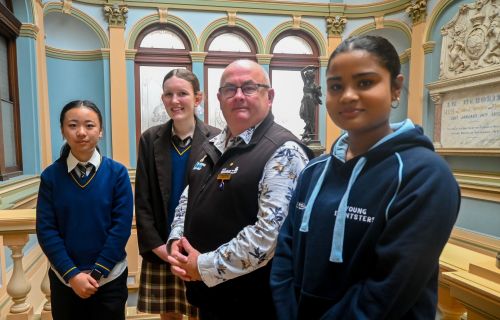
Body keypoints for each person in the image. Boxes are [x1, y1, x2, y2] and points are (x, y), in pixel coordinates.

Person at [270, 35, 461, 320]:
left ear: (396, 88)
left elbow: (389, 289)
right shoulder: (314, 170)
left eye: (364, 82)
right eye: (336, 86)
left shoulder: (425, 176)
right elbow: (285, 251)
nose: (347, 95)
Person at [167, 59, 314, 320]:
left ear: (269, 96)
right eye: (229, 89)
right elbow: (188, 197)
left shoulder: (284, 151)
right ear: (219, 98)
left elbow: (268, 236)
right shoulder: (211, 146)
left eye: (248, 88)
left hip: (253, 304)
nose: (238, 97)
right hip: (211, 297)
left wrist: (202, 265)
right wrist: (177, 240)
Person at [36, 100, 133, 320]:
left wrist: (97, 272)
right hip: (65, 280)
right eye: (73, 125)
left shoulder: (117, 173)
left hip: (109, 280)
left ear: (100, 132)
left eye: (89, 125)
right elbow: (46, 230)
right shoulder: (51, 176)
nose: (81, 132)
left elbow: (120, 228)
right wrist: (73, 275)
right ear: (62, 130)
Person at [135, 68, 219, 320]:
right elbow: (143, 200)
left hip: (199, 250)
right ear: (162, 99)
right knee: (169, 315)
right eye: (168, 94)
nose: (175, 100)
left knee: (200, 311)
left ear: (198, 98)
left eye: (182, 93)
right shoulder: (150, 139)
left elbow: (218, 199)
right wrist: (163, 249)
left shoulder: (217, 139)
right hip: (162, 246)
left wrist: (197, 254)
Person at [299, 65, 322, 143]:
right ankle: (307, 131)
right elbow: (301, 72)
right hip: (304, 101)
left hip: (311, 102)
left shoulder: (315, 85)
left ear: (312, 77)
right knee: (302, 113)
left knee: (310, 118)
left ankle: (309, 133)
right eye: (307, 76)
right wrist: (308, 67)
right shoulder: (305, 82)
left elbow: (320, 94)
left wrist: (318, 90)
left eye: (309, 76)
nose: (308, 77)